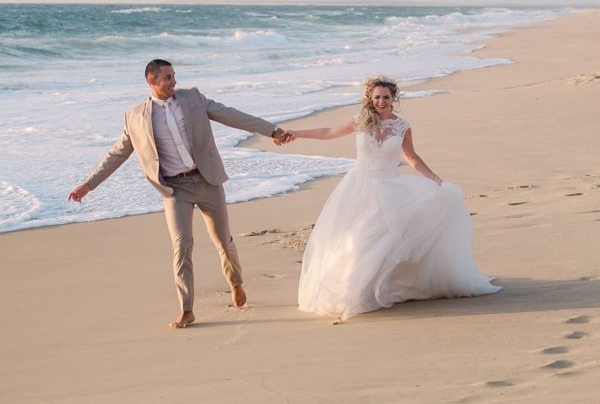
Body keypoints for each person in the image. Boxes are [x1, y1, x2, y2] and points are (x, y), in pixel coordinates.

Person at [69, 59, 291, 329]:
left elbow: (232, 115)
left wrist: (272, 130)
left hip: (207, 180)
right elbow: (117, 153)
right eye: (167, 77)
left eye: (174, 76)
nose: (174, 81)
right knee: (182, 245)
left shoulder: (193, 99)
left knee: (223, 241)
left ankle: (236, 283)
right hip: (175, 189)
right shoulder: (135, 116)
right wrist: (88, 185)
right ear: (151, 81)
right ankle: (187, 309)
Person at [289, 75, 501, 321]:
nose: (381, 101)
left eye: (386, 97)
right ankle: (352, 290)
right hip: (359, 187)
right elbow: (329, 132)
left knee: (383, 238)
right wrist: (296, 133)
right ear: (370, 98)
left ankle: (382, 286)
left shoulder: (402, 126)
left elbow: (411, 157)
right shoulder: (360, 121)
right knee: (356, 238)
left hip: (390, 188)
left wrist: (434, 179)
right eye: (376, 97)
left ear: (394, 99)